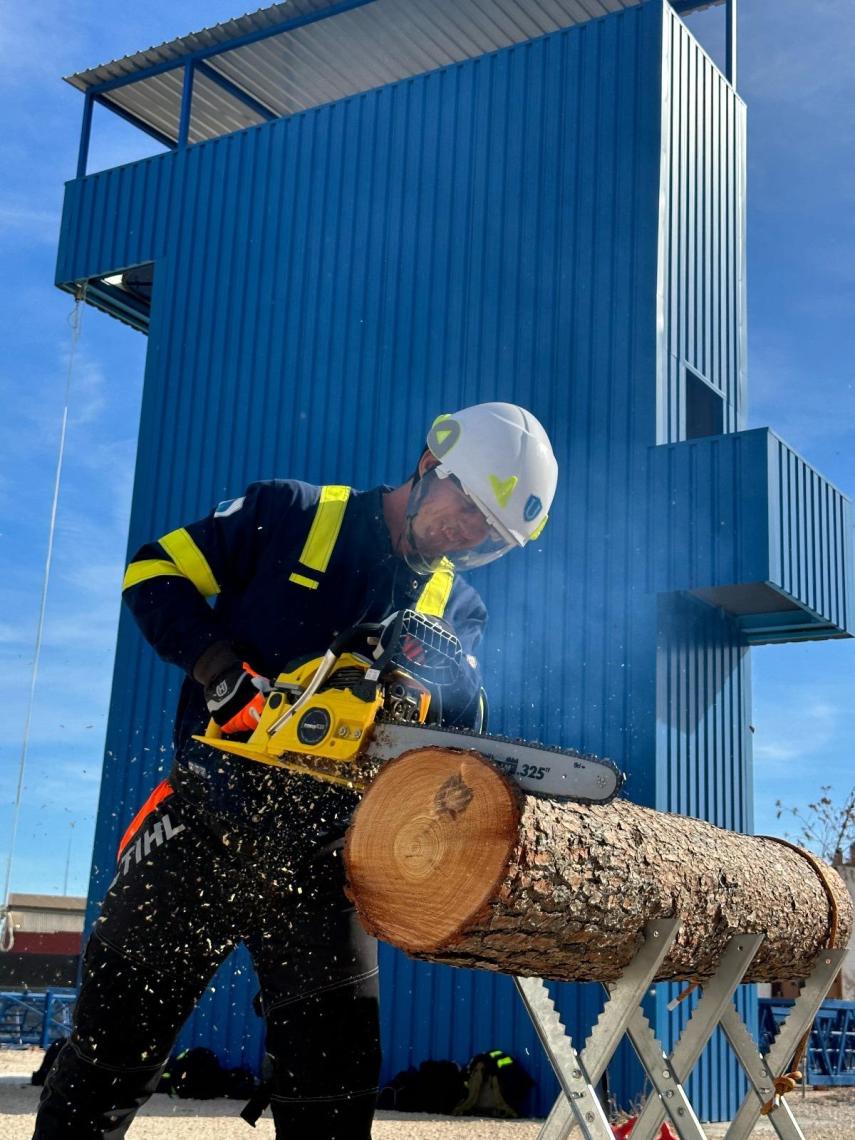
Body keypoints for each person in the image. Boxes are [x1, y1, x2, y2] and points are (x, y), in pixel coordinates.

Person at [33, 401, 558, 1139]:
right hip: (201, 819)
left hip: (324, 856)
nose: (462, 533)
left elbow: (459, 723)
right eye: (465, 506)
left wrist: (425, 704)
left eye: (484, 533)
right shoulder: (292, 511)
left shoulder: (454, 607)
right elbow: (153, 569)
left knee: (333, 1091)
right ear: (428, 466)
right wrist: (221, 673)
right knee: (105, 1063)